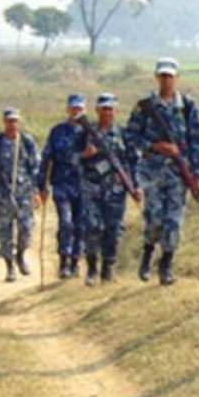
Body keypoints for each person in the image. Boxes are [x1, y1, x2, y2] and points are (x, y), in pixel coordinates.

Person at [125, 58, 199, 286]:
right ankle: (148, 253)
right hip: (152, 172)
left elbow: (198, 140)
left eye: (170, 76)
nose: (166, 80)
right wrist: (155, 146)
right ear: (157, 77)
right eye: (163, 76)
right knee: (155, 219)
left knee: (174, 222)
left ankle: (166, 265)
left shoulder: (187, 106)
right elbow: (130, 137)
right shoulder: (145, 107)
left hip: (179, 174)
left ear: (177, 78)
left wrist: (197, 173)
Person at [78, 93, 141, 286]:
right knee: (92, 228)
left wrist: (136, 185)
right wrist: (84, 155)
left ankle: (108, 270)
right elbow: (69, 159)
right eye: (104, 109)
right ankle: (91, 269)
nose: (107, 113)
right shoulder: (86, 133)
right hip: (91, 189)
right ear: (97, 111)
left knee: (113, 230)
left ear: (115, 111)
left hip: (116, 190)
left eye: (110, 109)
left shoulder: (123, 135)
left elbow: (133, 161)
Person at [0, 108, 41, 282]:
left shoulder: (27, 142)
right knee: (4, 232)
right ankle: (9, 266)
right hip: (2, 195)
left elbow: (36, 168)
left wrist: (37, 191)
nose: (12, 124)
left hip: (24, 194)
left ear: (19, 122)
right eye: (9, 121)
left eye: (15, 121)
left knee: (26, 229)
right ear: (4, 122)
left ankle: (20, 255)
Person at [37, 94, 88, 278]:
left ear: (85, 110)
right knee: (66, 223)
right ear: (67, 109)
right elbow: (46, 158)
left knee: (80, 225)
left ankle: (75, 262)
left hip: (84, 185)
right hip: (62, 183)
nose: (76, 112)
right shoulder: (57, 131)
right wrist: (41, 185)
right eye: (73, 108)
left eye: (79, 108)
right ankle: (63, 261)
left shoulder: (90, 132)